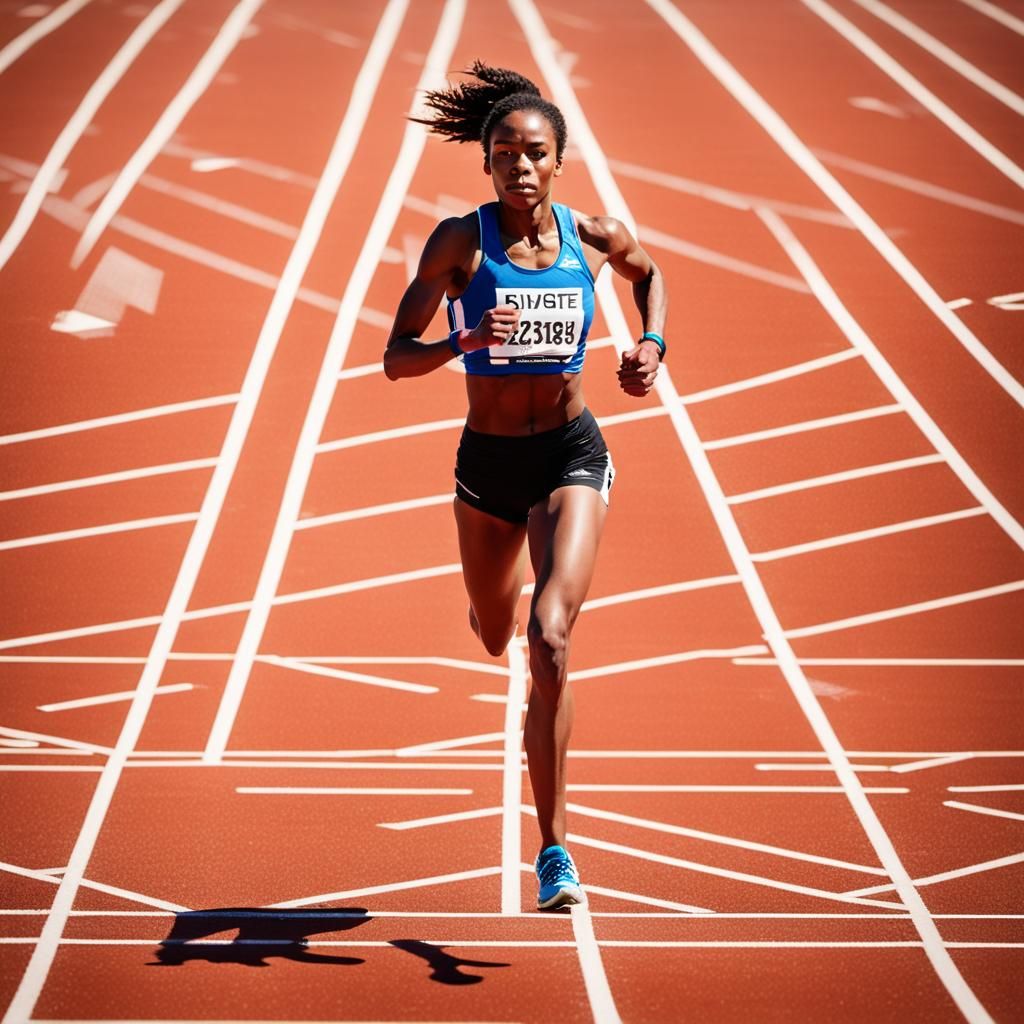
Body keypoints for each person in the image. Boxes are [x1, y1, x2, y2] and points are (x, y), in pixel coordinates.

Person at [384, 61, 666, 910]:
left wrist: (652, 349)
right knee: (498, 637)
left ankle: (555, 851)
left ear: (558, 162)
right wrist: (464, 344)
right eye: (503, 151)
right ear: (485, 162)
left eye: (535, 152)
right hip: (488, 467)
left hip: (570, 457)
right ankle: (489, 599)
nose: (520, 166)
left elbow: (648, 274)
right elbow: (396, 359)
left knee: (550, 641)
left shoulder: (596, 236)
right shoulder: (458, 245)